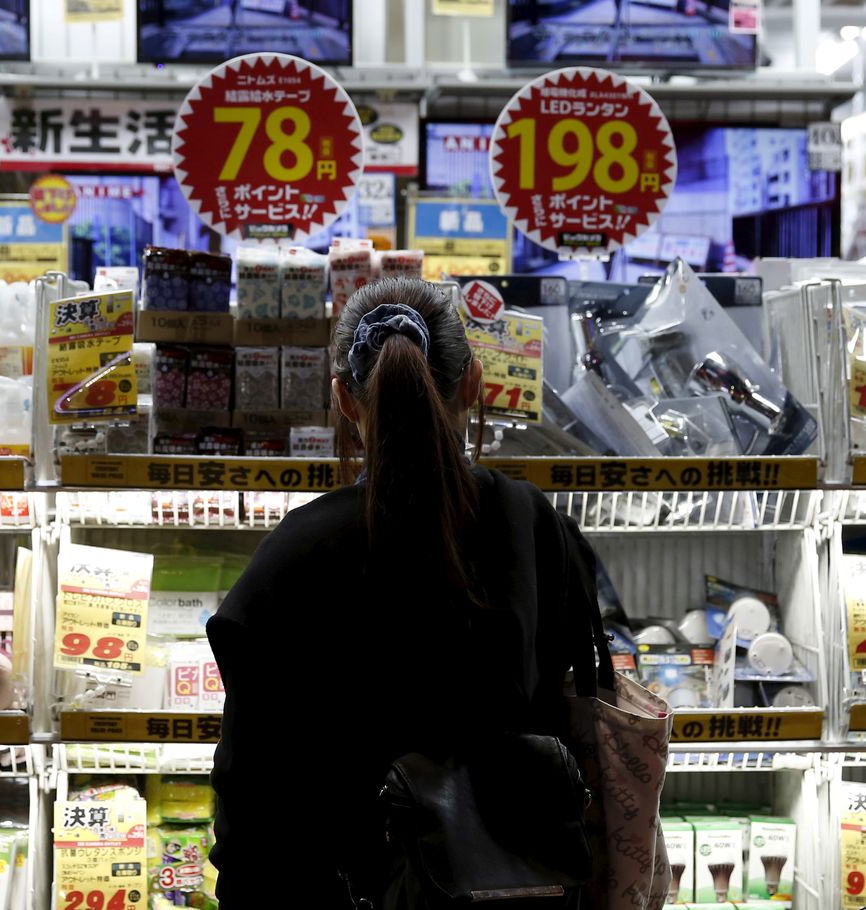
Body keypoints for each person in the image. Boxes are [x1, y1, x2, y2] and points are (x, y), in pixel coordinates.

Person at [207, 278, 609, 907]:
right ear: (473, 383)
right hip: (519, 885)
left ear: (344, 399)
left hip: (344, 889)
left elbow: (252, 797)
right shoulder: (535, 527)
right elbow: (569, 709)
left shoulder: (297, 552)